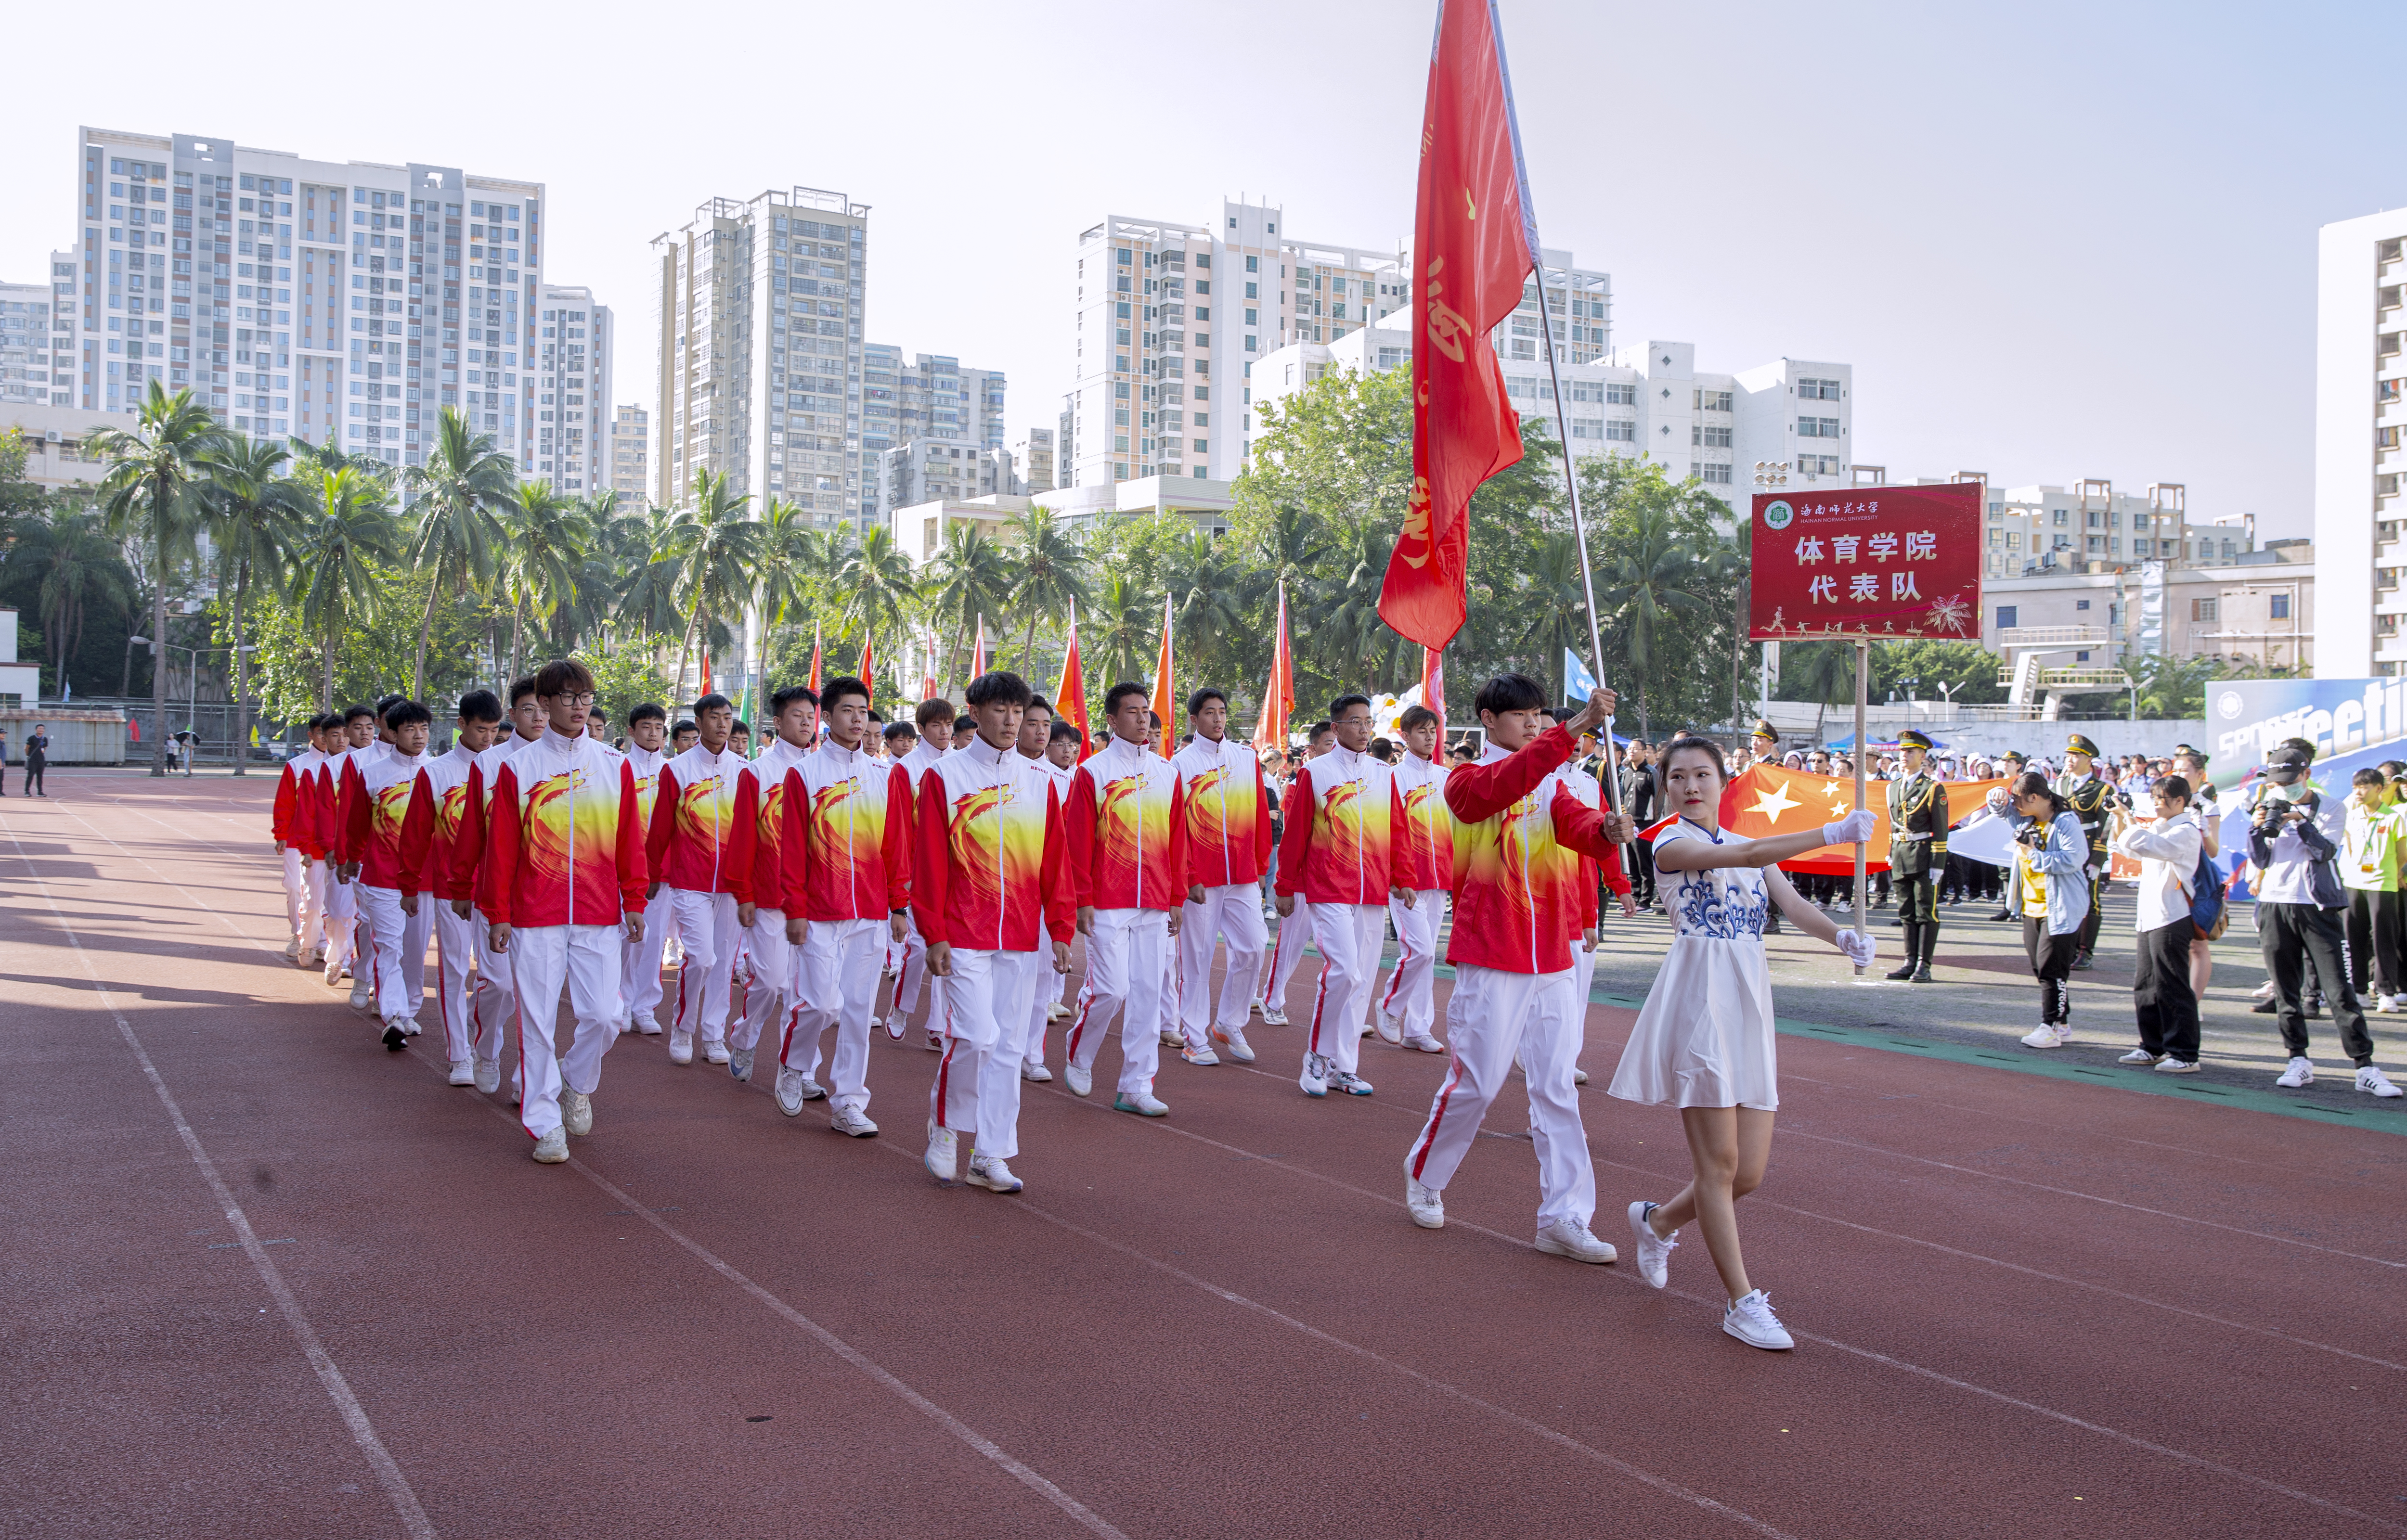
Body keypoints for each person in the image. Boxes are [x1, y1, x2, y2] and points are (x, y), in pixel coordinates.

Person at [1612, 735, 1879, 1351]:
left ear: (1721, 780)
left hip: (1747, 1001)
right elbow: (1755, 850)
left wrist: (1840, 937)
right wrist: (1831, 830)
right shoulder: (1667, 842)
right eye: (1676, 776)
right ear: (1665, 786)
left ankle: (1655, 1222)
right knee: (1719, 1165)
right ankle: (1740, 1300)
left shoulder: (1740, 844)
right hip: (1699, 999)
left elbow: (1789, 901)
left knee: (1747, 1173)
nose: (1689, 786)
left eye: (1701, 774)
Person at [1402, 677, 1636, 1261]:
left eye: (1539, 715)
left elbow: (1575, 826)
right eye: (1521, 715)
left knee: (1556, 1086)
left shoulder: (1552, 780)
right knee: (1478, 1081)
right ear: (1487, 719)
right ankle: (1425, 1174)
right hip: (1492, 952)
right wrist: (1573, 728)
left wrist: (1604, 833)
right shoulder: (1465, 780)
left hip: (1552, 952)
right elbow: (1502, 787)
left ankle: (1564, 1216)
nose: (1533, 723)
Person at [913, 671, 1077, 1193]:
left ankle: (991, 1152)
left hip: (1021, 933)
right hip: (962, 931)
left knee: (1008, 1045)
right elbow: (930, 862)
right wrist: (933, 931)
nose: (1011, 721)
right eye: (1001, 711)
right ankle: (945, 1127)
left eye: (1018, 711)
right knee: (975, 1036)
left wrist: (1059, 926)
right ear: (975, 712)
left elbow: (1056, 862)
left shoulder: (1040, 783)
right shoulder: (945, 777)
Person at [481, 660, 650, 1162]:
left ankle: (576, 1080)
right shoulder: (518, 767)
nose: (579, 707)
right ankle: (543, 1120)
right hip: (535, 912)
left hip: (598, 912)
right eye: (568, 698)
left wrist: (634, 898)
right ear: (546, 703)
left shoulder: (612, 764)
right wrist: (498, 912)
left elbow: (628, 840)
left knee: (605, 1015)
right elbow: (502, 848)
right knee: (535, 1020)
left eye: (586, 697)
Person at [780, 676, 910, 1136]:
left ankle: (849, 1101)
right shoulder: (804, 775)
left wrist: (899, 905)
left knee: (857, 1010)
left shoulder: (885, 776)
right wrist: (794, 909)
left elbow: (896, 845)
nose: (858, 720)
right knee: (820, 1004)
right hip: (818, 911)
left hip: (871, 913)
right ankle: (795, 1064)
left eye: (863, 712)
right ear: (827, 717)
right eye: (848, 712)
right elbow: (792, 848)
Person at [1274, 693, 1413, 1098]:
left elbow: (1397, 831)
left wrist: (1402, 878)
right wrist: (1285, 886)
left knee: (1361, 983)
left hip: (1371, 891)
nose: (1365, 729)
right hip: (1329, 887)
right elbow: (1296, 834)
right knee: (1345, 973)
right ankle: (1317, 1056)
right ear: (1336, 728)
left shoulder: (1384, 774)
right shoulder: (1315, 772)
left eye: (1369, 722)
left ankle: (1343, 1067)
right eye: (1356, 722)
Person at [1060, 682, 1190, 1113]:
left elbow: (1177, 840)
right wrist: (1082, 900)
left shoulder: (1167, 772)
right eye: (1132, 712)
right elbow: (1076, 843)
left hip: (1153, 899)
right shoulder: (1092, 772)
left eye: (1145, 712)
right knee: (1112, 990)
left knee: (1150, 994)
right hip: (1107, 900)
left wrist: (1176, 895)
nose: (1143, 720)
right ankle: (1080, 1053)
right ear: (1113, 721)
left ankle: (1137, 1086)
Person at [2248, 744, 2401, 1096]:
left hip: (2317, 907)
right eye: (2277, 782)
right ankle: (2297, 1059)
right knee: (2287, 991)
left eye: (2289, 780)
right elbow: (2260, 859)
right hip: (2275, 903)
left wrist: (2301, 822)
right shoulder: (2265, 805)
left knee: (2339, 990)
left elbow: (2325, 852)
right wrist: (2258, 827)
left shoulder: (2330, 807)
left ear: (2306, 775)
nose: (2283, 788)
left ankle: (2365, 1067)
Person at [647, 693, 758, 1067]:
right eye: (715, 717)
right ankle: (683, 1028)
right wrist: (650, 876)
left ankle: (713, 1034)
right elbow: (660, 831)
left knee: (724, 961)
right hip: (689, 881)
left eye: (728, 718)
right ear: (699, 721)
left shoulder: (745, 770)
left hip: (731, 885)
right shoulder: (676, 770)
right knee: (702, 958)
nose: (723, 724)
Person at [401, 691, 504, 1085]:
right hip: (451, 890)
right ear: (461, 725)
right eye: (481, 730)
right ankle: (459, 1054)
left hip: (495, 890)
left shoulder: (505, 767)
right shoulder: (436, 772)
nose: (487, 739)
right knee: (456, 970)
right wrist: (409, 883)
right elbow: (415, 834)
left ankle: (486, 1049)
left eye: (494, 731)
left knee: (499, 980)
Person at [1172, 686, 1273, 1067]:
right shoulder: (1180, 765)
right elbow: (1176, 828)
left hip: (1243, 875)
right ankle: (1194, 1037)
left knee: (1253, 945)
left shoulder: (1246, 758)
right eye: (1210, 713)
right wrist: (1190, 875)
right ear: (1194, 719)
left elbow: (1261, 814)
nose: (1218, 719)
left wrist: (1261, 866)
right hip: (1201, 880)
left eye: (1222, 712)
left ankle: (1229, 1021)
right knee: (1196, 957)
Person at [737, 686, 819, 1088]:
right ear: (777, 722)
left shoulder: (824, 769)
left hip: (816, 899)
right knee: (772, 983)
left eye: (810, 717)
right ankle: (745, 1036)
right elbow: (743, 838)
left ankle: (800, 1068)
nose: (806, 724)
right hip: (770, 896)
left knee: (807, 991)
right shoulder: (756, 772)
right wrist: (745, 893)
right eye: (797, 716)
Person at [341, 700, 435, 1049]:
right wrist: (352, 858)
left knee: (416, 948)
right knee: (390, 945)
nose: (419, 736)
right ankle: (394, 1015)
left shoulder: (438, 772)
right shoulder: (375, 773)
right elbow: (358, 824)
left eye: (424, 729)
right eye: (410, 729)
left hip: (425, 877)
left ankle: (410, 1009)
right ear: (392, 733)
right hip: (382, 874)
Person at [2109, 773, 2206, 1072]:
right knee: (2147, 984)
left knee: (2172, 984)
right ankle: (2152, 1046)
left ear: (2180, 801)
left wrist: (2130, 819)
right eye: (2153, 798)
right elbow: (2129, 848)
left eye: (2160, 799)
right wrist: (2121, 820)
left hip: (2173, 915)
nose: (2155, 804)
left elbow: (2151, 846)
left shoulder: (2187, 831)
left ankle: (2185, 1053)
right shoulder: (2160, 827)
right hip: (2150, 915)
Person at [882, 698, 959, 1048]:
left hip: (955, 872)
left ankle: (938, 1025)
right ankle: (901, 1005)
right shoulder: (905, 770)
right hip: (916, 870)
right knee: (916, 947)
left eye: (948, 726)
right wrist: (901, 878)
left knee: (951, 948)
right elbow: (898, 825)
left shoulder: (960, 765)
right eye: (937, 726)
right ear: (923, 730)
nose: (944, 732)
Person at [1376, 704, 1452, 1054]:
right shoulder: (1394, 778)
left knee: (1428, 955)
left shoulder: (1445, 777)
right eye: (1422, 732)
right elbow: (1388, 832)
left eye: (1433, 731)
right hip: (1405, 882)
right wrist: (1396, 876)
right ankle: (1390, 1005)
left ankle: (1419, 1029)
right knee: (1418, 950)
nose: (1430, 738)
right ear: (1405, 737)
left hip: (1439, 880)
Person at [1258, 718, 1339, 1025]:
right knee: (1292, 942)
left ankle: (1345, 1010)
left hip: (1335, 879)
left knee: (1344, 951)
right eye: (1328, 744)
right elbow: (1296, 833)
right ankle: (1273, 998)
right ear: (1313, 748)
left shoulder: (1353, 781)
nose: (1334, 749)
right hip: (1306, 878)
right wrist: (1286, 884)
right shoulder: (1298, 785)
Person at [2007, 772, 2093, 1049]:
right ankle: (2063, 1023)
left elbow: (2075, 859)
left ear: (2034, 798)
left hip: (2062, 907)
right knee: (2038, 966)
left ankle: (2051, 1026)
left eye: (2018, 800)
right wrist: (1994, 797)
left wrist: (2034, 855)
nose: (2015, 805)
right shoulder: (2026, 819)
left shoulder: (2065, 822)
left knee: (2051, 970)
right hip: (2032, 906)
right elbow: (2001, 812)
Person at [619, 703, 673, 1035]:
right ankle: (623, 1002)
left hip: (662, 873)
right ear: (631, 731)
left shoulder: (672, 770)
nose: (653, 733)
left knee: (654, 941)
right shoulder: (620, 768)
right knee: (629, 938)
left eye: (658, 727)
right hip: (625, 871)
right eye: (645, 727)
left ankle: (645, 1006)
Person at [1884, 730, 1948, 982]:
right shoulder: (1893, 787)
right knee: (1906, 912)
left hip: (1923, 856)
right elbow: (1893, 824)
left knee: (1926, 912)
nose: (1904, 755)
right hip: (1900, 854)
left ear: (1923, 756)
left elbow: (1941, 828)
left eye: (1910, 751)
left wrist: (1938, 865)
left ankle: (1925, 964)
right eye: (1902, 751)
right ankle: (1909, 962)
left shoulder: (1933, 788)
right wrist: (1891, 851)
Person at [2341, 767, 2405, 1014]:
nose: (2359, 792)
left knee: (2384, 939)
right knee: (2354, 938)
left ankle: (2386, 992)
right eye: (2356, 787)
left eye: (2365, 787)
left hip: (2383, 884)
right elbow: (2348, 847)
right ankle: (2359, 990)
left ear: (2380, 789)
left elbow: (2401, 855)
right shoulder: (2352, 816)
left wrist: (2392, 873)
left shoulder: (2393, 818)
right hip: (2354, 884)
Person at [2053, 734, 2113, 970]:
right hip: (2062, 849)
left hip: (2087, 851)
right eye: (2069, 755)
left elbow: (2106, 827)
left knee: (2090, 900)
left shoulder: (2102, 789)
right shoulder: (2060, 784)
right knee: (2063, 899)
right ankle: (2066, 947)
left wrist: (2097, 859)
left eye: (2076, 755)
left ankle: (2085, 951)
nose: (2070, 759)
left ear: (2089, 760)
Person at [272, 719, 327, 963]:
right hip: (296, 839)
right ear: (311, 735)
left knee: (324, 893)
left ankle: (323, 941)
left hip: (325, 842)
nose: (326, 738)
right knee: (295, 888)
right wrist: (281, 835)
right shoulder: (297, 766)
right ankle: (299, 935)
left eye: (332, 733)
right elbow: (285, 803)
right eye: (320, 733)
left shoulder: (346, 765)